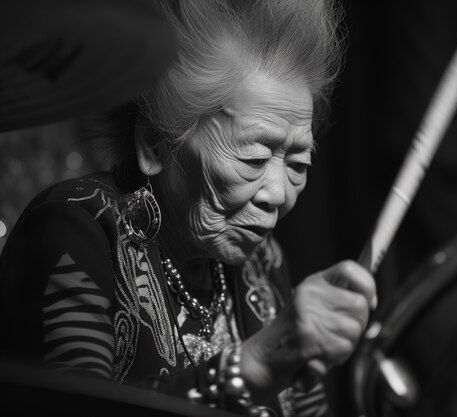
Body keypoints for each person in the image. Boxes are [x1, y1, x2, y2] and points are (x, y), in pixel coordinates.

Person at [0, 0, 377, 416]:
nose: (277, 194)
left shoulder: (262, 265)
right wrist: (251, 366)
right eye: (253, 159)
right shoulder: (76, 228)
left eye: (297, 165)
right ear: (156, 145)